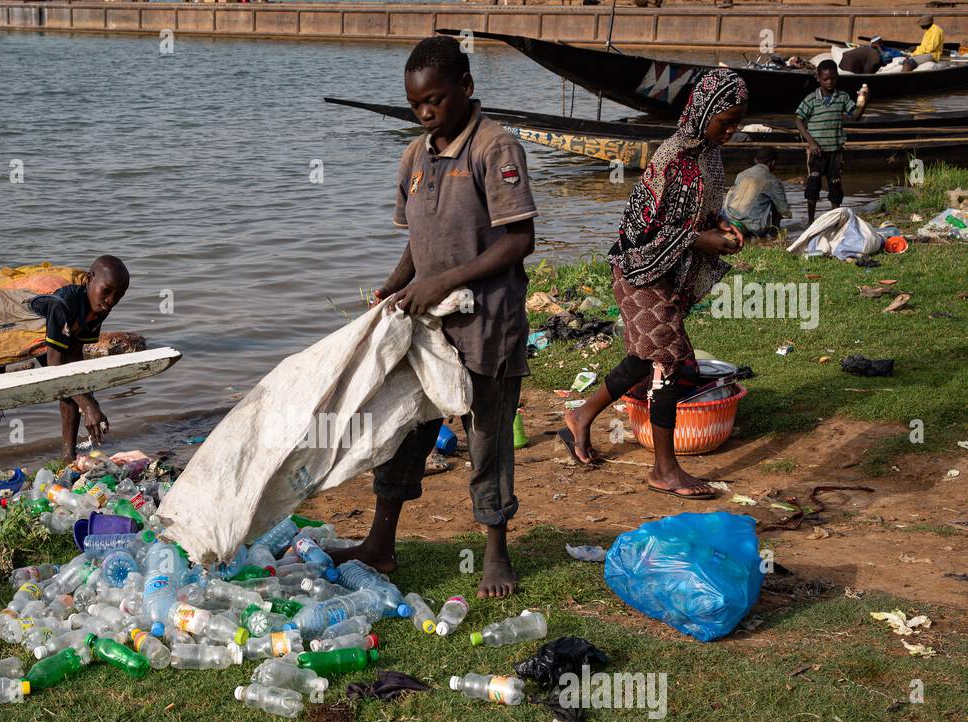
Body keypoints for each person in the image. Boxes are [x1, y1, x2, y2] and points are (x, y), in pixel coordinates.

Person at [327, 35, 537, 598]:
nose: (425, 113)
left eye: (436, 101)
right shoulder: (415, 156)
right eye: (415, 104)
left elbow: (518, 240)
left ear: (466, 88)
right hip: (425, 326)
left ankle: (495, 552)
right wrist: (396, 285)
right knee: (403, 429)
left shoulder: (495, 149)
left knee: (486, 437)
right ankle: (381, 544)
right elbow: (419, 240)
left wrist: (444, 280)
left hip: (487, 322)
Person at [559, 69, 748, 500]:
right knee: (668, 361)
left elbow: (698, 214)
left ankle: (581, 416)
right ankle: (664, 470)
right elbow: (646, 233)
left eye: (738, 120)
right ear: (703, 114)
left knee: (644, 358)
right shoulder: (673, 158)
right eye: (727, 120)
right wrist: (702, 239)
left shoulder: (710, 154)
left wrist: (723, 226)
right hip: (640, 271)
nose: (733, 129)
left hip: (669, 274)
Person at [0, 256, 129, 464]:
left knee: (72, 392)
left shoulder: (99, 304)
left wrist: (86, 399)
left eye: (118, 295)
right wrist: (89, 406)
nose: (111, 300)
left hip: (41, 322)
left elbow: (73, 360)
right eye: (107, 291)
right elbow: (55, 369)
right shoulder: (63, 302)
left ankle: (68, 457)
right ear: (89, 279)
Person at [795, 60, 868, 224]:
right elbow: (798, 121)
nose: (830, 82)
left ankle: (835, 220)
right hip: (817, 151)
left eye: (833, 79)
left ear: (837, 78)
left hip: (835, 151)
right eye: (826, 79)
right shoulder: (812, 99)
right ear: (818, 79)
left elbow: (855, 116)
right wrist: (811, 142)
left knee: (835, 186)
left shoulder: (842, 97)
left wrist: (863, 102)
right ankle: (811, 221)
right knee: (813, 186)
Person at [722, 146, 790, 237]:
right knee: (776, 203)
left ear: (755, 160)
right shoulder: (773, 181)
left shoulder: (741, 174)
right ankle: (775, 233)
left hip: (728, 218)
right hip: (752, 227)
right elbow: (784, 211)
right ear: (772, 162)